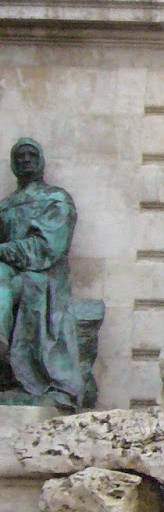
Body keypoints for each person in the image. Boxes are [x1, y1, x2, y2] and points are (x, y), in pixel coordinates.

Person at [0, 138, 88, 409]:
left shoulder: (56, 198)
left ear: (41, 161)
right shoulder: (5, 205)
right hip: (8, 271)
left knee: (25, 282)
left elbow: (47, 248)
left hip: (44, 275)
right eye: (20, 156)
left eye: (31, 154)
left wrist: (4, 252)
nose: (26, 159)